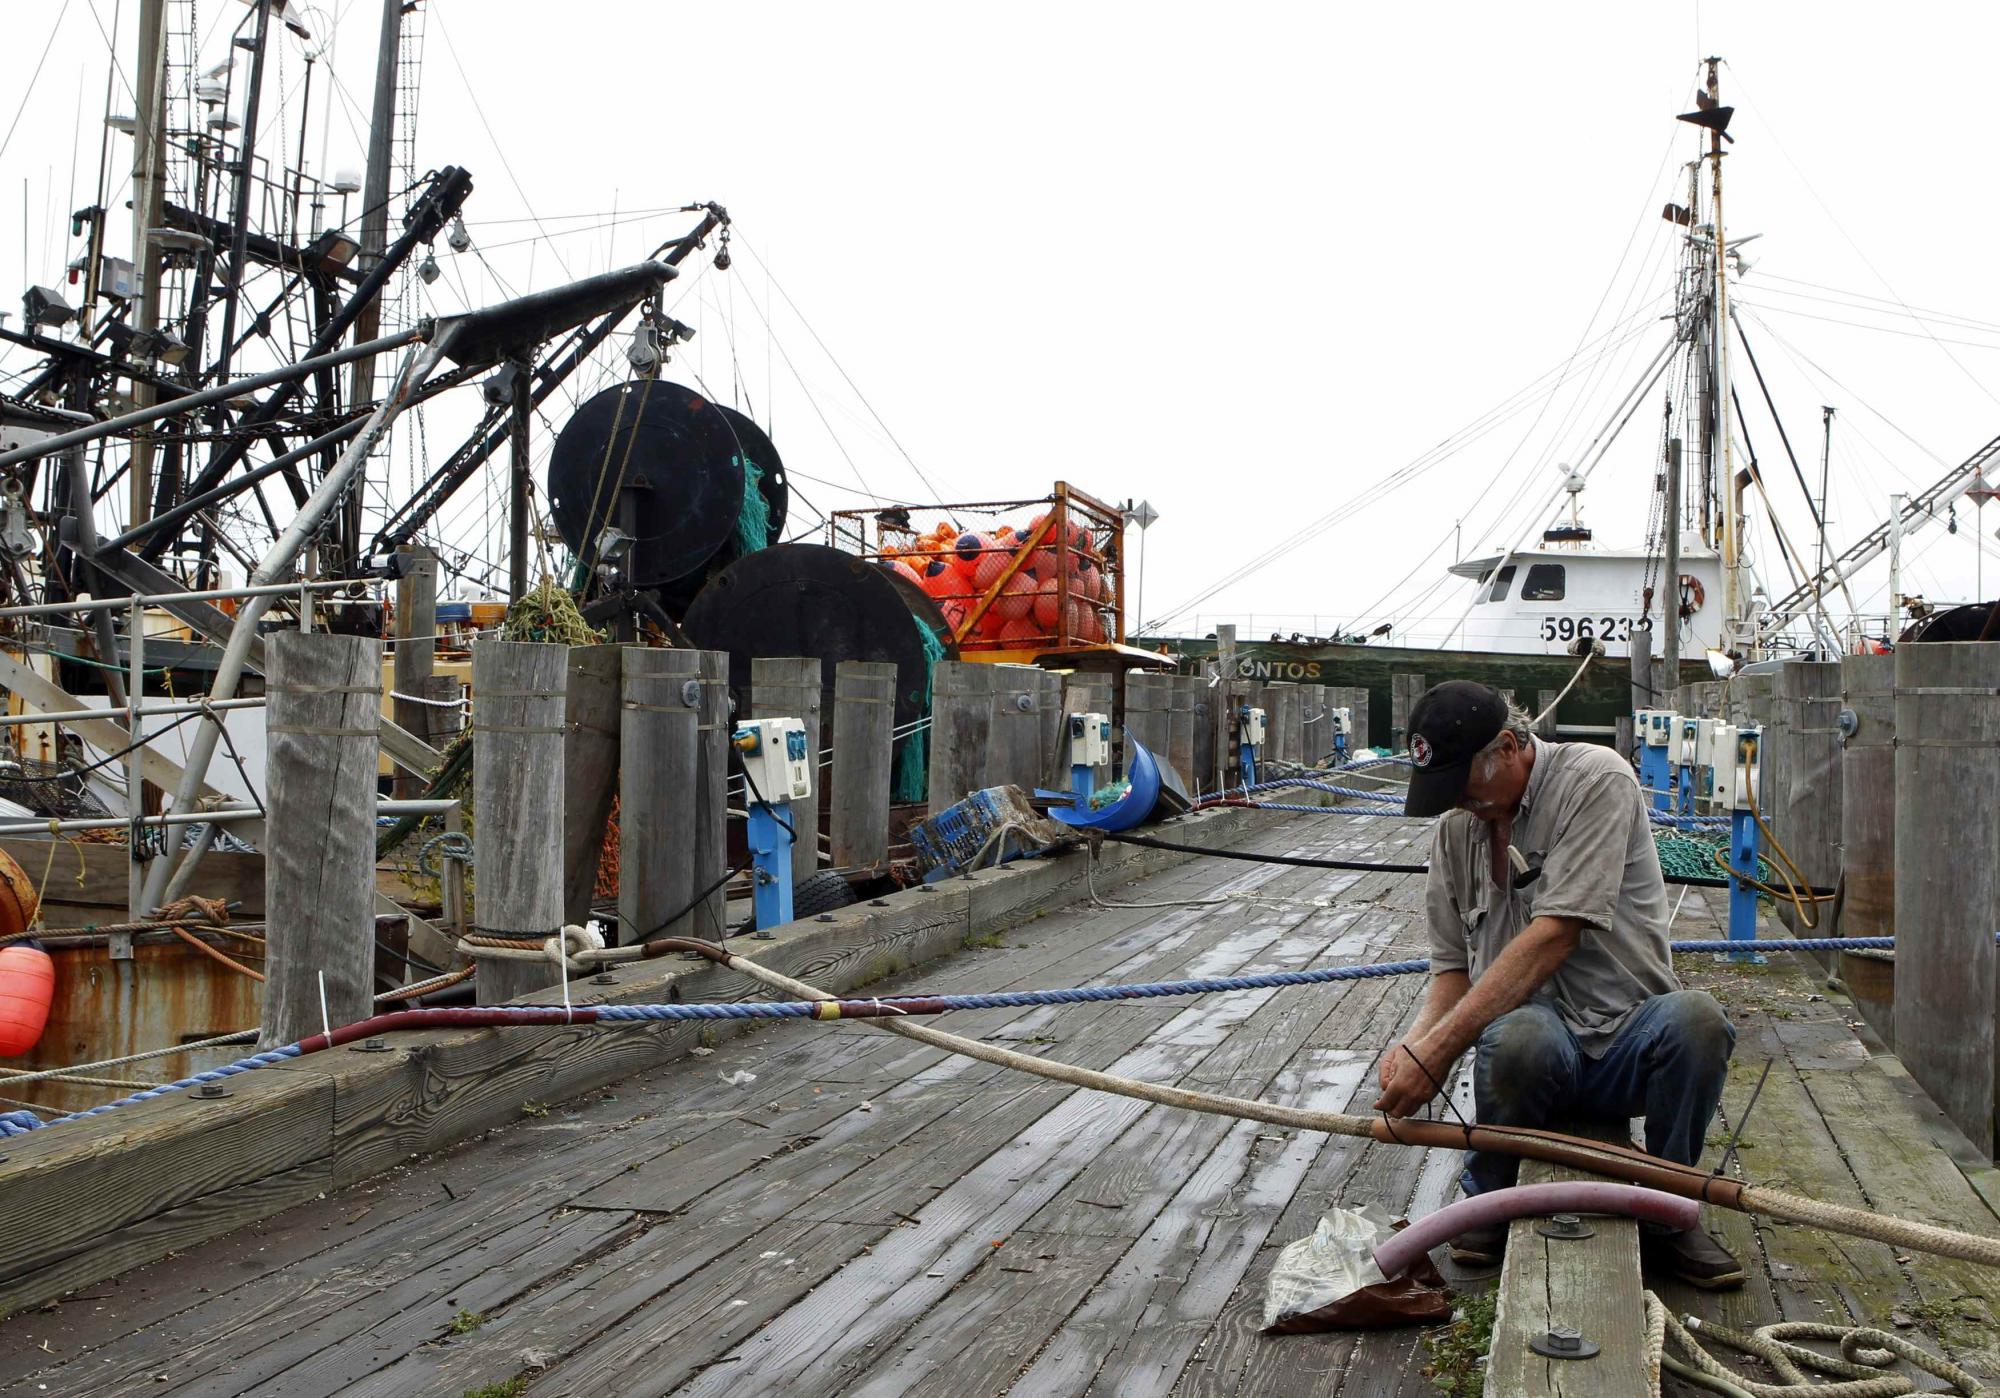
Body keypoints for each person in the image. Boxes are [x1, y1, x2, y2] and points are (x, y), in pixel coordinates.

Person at [1373, 680, 1742, 1289]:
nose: (1461, 803)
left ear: (1512, 746)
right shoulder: (1455, 833)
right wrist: (1414, 1049)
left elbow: (1556, 934)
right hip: (1532, 1051)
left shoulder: (1597, 779)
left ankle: (1670, 1206)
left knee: (1698, 1020)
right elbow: (1451, 969)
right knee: (1519, 1036)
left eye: (1466, 784)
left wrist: (1439, 1054)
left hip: (1627, 1040)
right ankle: (1487, 1197)